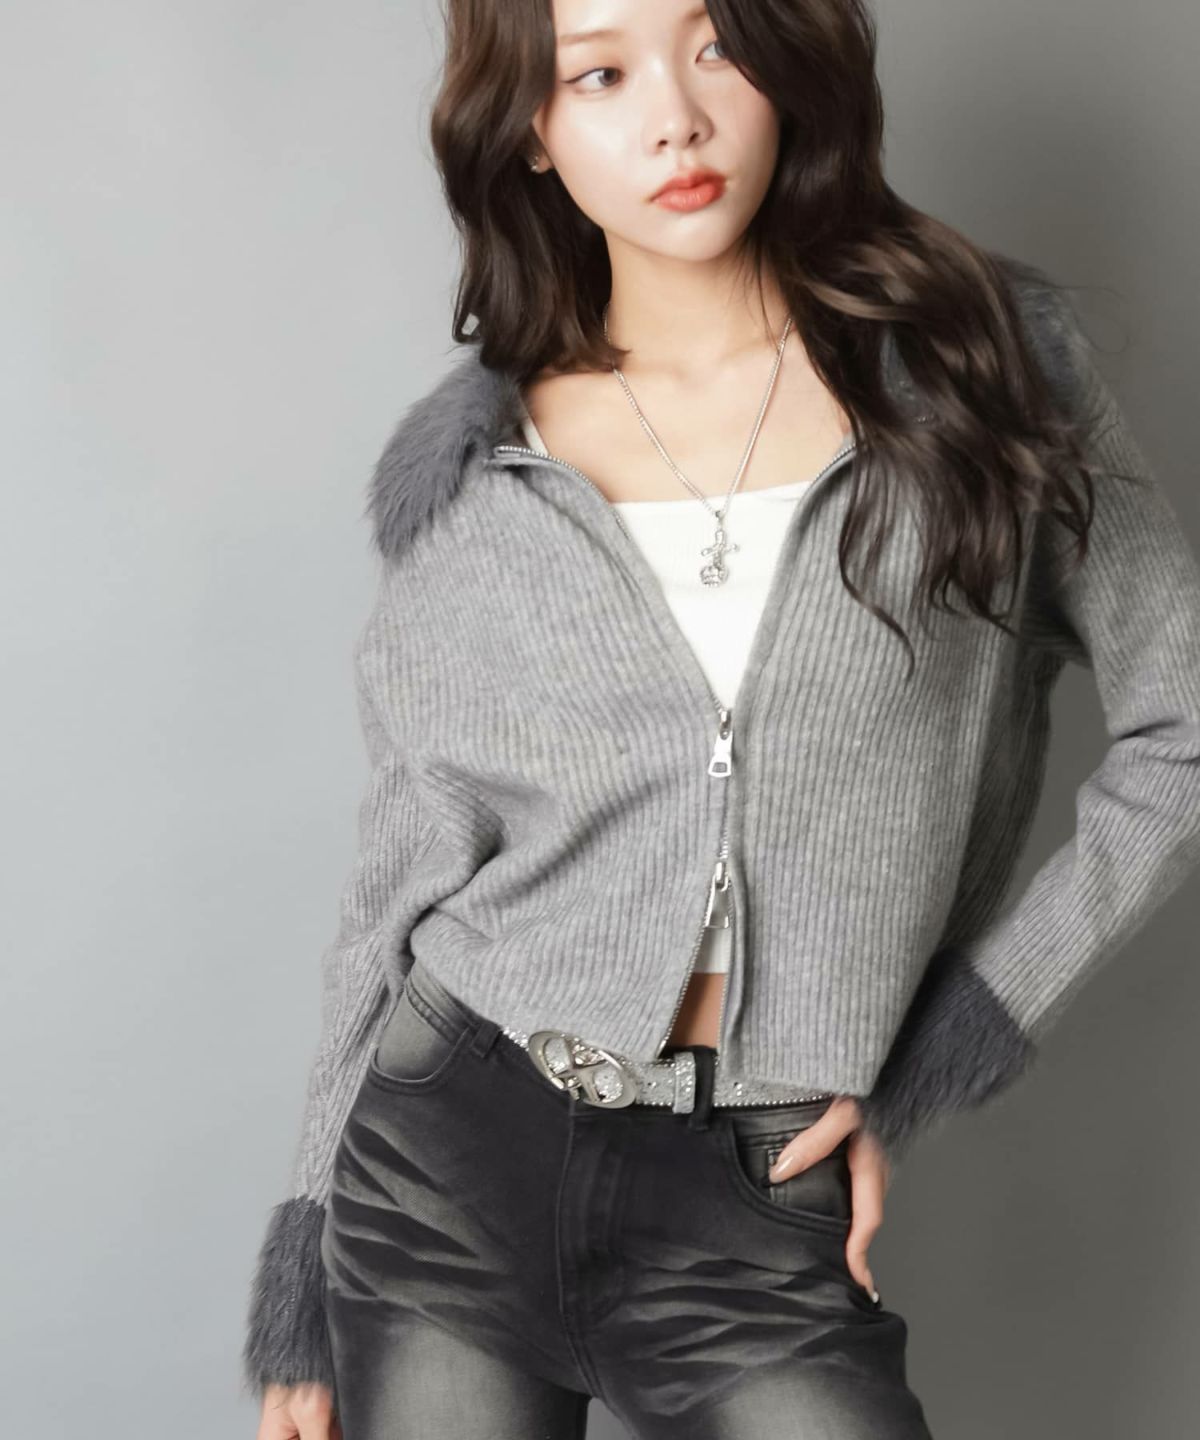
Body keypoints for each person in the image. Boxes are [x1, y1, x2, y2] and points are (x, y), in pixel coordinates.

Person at [241, 1, 1200, 1436]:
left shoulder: (982, 376)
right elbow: (400, 875)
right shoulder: (475, 480)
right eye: (600, 73)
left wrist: (962, 1029)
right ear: (534, 131)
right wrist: (304, 1274)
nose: (676, 118)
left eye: (716, 44)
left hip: (752, 1194)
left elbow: (1182, 730)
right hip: (447, 1163)